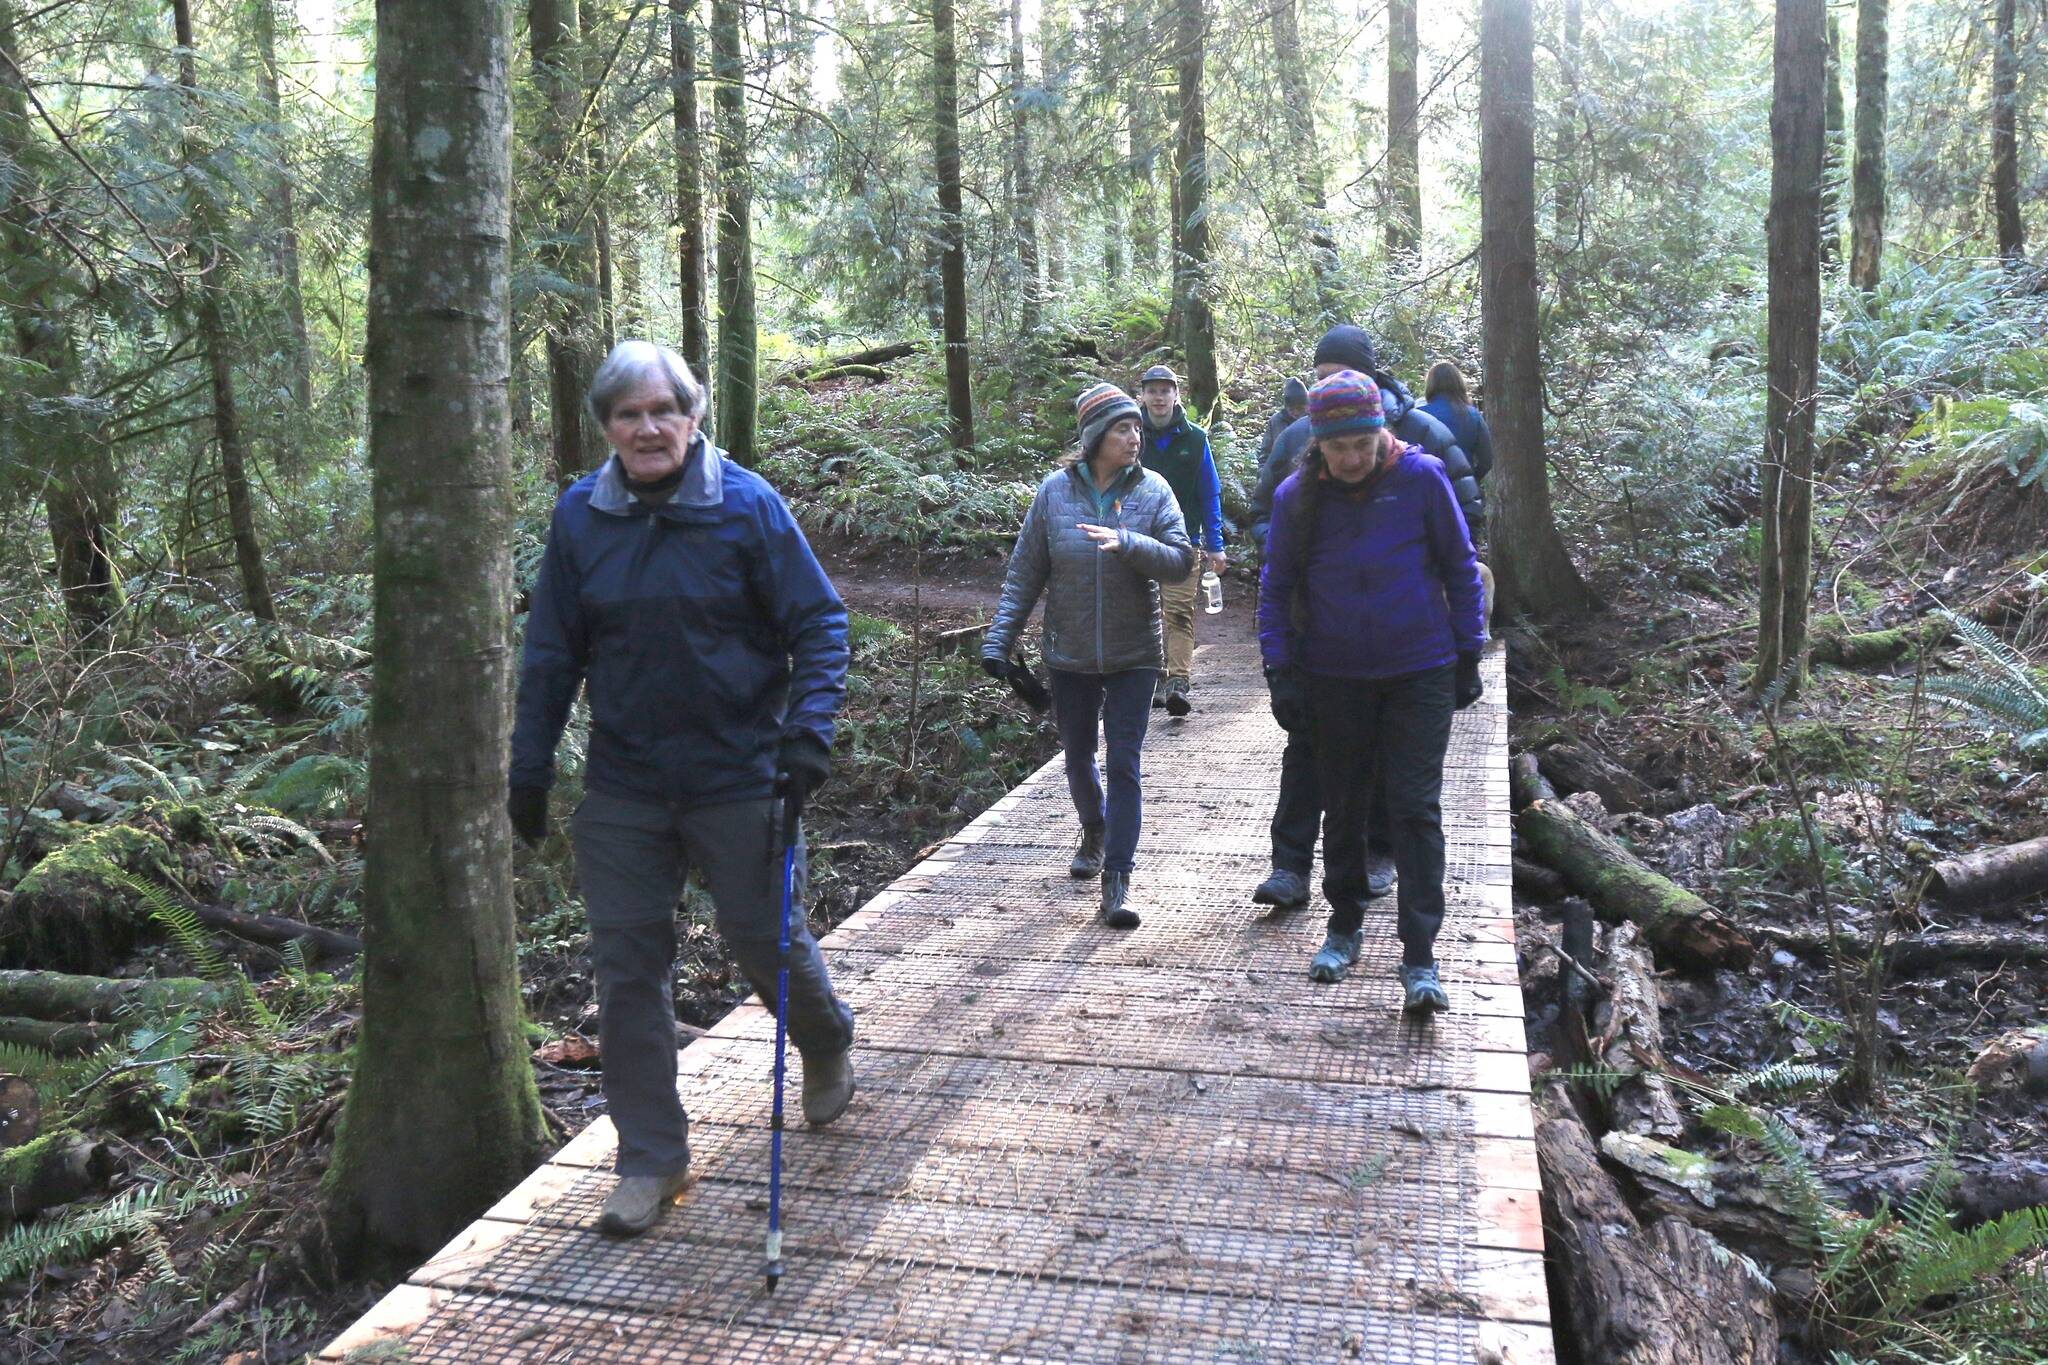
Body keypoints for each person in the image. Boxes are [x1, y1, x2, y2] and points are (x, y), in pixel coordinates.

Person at [509, 340, 856, 1238]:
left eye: (666, 409)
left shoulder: (746, 506)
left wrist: (806, 734)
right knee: (627, 972)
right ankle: (651, 1157)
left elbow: (818, 620)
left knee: (763, 937)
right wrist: (530, 763)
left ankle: (823, 1036)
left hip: (740, 772)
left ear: (694, 416)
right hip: (626, 783)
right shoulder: (581, 519)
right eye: (630, 414)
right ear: (608, 429)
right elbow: (552, 651)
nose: (650, 427)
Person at [1258, 370, 1486, 1010]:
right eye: (1339, 447)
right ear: (1318, 444)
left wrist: (1469, 651)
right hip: (1334, 673)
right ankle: (1345, 924)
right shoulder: (1297, 497)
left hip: (1420, 668)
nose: (1353, 458)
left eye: (1363, 443)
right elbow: (1275, 588)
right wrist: (1279, 669)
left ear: (1381, 430)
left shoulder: (1421, 478)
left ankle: (1419, 955)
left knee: (1414, 809)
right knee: (1346, 804)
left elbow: (1459, 566)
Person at [984, 381, 1196, 928]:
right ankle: (1094, 828)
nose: (1136, 436)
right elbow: (1024, 574)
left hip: (1134, 652)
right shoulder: (1054, 493)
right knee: (1078, 756)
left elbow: (1179, 561)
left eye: (1135, 427)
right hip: (1069, 651)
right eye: (1124, 428)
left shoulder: (1154, 492)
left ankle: (1117, 880)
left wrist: (1129, 543)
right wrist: (997, 642)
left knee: (1125, 762)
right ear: (1097, 435)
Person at [1134, 364, 1225, 717]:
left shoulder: (1196, 438)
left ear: (1176, 395)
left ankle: (1177, 681)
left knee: (1178, 612)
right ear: (1142, 395)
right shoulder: (1130, 433)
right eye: (1152, 390)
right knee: (1138, 612)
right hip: (1135, 539)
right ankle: (1148, 678)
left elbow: (1209, 492)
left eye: (1165, 390)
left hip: (1182, 541)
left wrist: (1215, 544)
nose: (1159, 397)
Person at [1420, 360, 1497, 621]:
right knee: (1466, 566)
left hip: (1426, 501)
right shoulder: (1472, 415)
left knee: (1427, 563)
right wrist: (1470, 480)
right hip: (1464, 502)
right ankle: (1469, 625)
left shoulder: (1419, 415)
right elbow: (1486, 459)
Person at [1257, 375, 1311, 470]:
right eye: (1291, 409)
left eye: (1300, 408)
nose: (1296, 412)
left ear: (1307, 405)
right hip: (1280, 476)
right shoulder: (1276, 422)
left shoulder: (1314, 419)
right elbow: (1265, 454)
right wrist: (1263, 476)